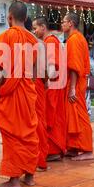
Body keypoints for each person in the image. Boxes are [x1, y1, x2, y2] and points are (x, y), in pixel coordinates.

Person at [0, 1, 39, 187]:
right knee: (29, 131)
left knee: (12, 134)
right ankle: (29, 176)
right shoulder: (33, 39)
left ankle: (14, 180)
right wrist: (29, 86)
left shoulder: (5, 36)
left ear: (9, 17)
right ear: (25, 19)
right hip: (27, 90)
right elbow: (34, 71)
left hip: (11, 91)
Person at [32, 17, 67, 162]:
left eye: (35, 28)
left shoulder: (51, 41)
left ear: (43, 27)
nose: (34, 31)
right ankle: (51, 149)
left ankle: (53, 150)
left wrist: (45, 80)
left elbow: (52, 66)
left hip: (52, 84)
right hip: (51, 84)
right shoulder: (47, 42)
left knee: (50, 117)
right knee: (50, 115)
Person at [61, 13, 94, 161]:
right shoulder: (78, 38)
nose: (62, 25)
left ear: (71, 23)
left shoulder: (74, 39)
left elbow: (74, 67)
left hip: (76, 83)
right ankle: (74, 147)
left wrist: (72, 88)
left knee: (80, 115)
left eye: (63, 22)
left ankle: (87, 150)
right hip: (76, 81)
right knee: (72, 115)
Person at [30, 18, 49, 172]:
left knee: (34, 122)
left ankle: (36, 159)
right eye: (33, 28)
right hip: (38, 84)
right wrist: (46, 81)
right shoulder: (40, 44)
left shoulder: (25, 42)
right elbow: (45, 70)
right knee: (39, 121)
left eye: (35, 28)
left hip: (30, 84)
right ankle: (40, 158)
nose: (34, 30)